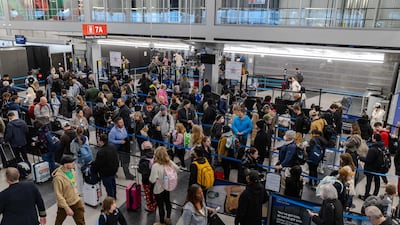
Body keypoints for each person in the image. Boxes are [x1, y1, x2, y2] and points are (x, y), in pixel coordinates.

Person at [149, 146, 179, 225]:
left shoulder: (155, 166)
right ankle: (168, 218)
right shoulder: (169, 162)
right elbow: (178, 169)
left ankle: (162, 222)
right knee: (168, 202)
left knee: (160, 205)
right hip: (167, 186)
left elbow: (152, 180)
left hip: (158, 189)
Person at [53, 155, 86, 225]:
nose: (73, 163)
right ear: (65, 165)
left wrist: (77, 197)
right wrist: (67, 208)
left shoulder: (72, 170)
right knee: (58, 222)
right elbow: (58, 195)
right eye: (71, 162)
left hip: (76, 201)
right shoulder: (58, 178)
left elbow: (74, 186)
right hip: (65, 204)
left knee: (81, 222)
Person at [92, 134, 119, 199]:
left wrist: (93, 167)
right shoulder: (112, 147)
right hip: (113, 171)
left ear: (102, 141)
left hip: (105, 173)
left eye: (99, 140)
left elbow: (98, 164)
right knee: (113, 185)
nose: (98, 142)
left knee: (109, 188)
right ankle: (114, 196)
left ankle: (111, 200)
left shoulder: (101, 152)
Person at [359, 133, 385, 200]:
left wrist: (360, 158)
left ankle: (366, 195)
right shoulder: (382, 146)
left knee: (369, 182)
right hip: (378, 167)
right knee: (377, 181)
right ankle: (375, 195)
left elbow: (368, 160)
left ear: (375, 139)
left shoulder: (373, 149)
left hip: (371, 168)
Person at [70, 127, 92, 197]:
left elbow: (72, 150)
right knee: (87, 175)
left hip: (78, 160)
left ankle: (80, 192)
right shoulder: (86, 138)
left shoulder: (73, 142)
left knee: (79, 177)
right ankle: (88, 189)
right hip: (86, 160)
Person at [138, 141, 157, 212]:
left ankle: (150, 207)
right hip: (155, 179)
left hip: (146, 180)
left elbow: (141, 170)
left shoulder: (143, 159)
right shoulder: (155, 156)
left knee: (148, 194)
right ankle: (155, 204)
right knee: (154, 193)